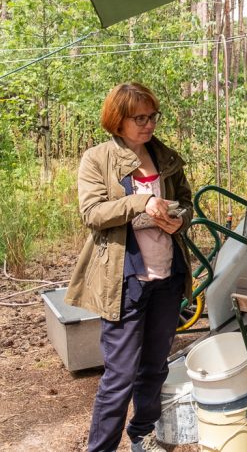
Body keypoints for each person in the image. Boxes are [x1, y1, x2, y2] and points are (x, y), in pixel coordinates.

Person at [65, 82, 193, 452]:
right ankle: (101, 448)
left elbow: (185, 202)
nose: (149, 124)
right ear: (117, 120)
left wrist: (179, 219)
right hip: (124, 281)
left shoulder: (165, 157)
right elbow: (93, 214)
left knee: (154, 367)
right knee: (119, 375)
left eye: (153, 116)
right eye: (140, 118)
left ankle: (142, 435)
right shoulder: (97, 159)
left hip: (167, 277)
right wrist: (140, 202)